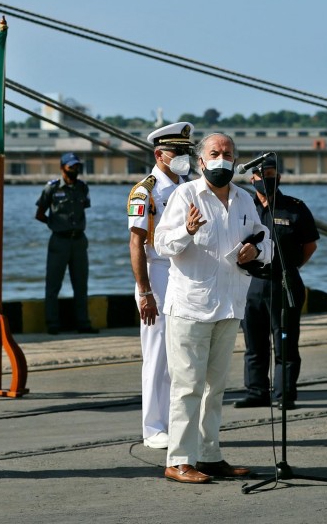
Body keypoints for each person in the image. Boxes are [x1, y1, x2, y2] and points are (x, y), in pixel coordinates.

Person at [154, 132, 272, 484]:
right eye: (215, 153)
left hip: (229, 305)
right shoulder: (185, 195)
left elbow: (265, 243)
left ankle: (209, 455)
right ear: (201, 161)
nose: (222, 159)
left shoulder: (244, 200)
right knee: (187, 386)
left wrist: (257, 252)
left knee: (214, 388)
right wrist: (187, 231)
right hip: (191, 307)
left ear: (235, 160)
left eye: (228, 153)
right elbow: (161, 244)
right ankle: (178, 460)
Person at [128, 122, 195, 450]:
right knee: (157, 355)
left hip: (184, 274)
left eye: (187, 152)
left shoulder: (188, 186)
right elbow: (136, 244)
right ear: (159, 155)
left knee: (183, 353)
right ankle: (154, 428)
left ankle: (176, 422)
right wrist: (144, 291)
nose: (184, 157)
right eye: (178, 152)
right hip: (157, 274)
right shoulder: (146, 191)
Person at [235, 154, 319, 411]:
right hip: (251, 284)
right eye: (262, 176)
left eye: (271, 176)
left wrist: (289, 269)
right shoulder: (243, 207)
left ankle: (284, 394)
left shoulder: (294, 207)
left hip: (284, 283)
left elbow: (309, 246)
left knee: (285, 343)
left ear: (278, 177)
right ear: (253, 179)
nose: (267, 180)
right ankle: (256, 391)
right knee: (254, 343)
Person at [35, 152, 97, 334]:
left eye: (77, 166)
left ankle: (83, 324)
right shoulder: (51, 189)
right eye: (71, 167)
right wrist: (55, 224)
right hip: (59, 242)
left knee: (81, 285)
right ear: (62, 168)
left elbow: (83, 207)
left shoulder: (82, 188)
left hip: (79, 241)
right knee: (53, 285)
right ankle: (53, 324)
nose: (75, 170)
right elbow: (39, 214)